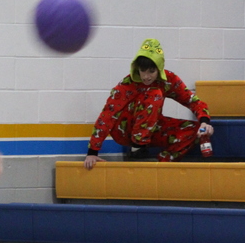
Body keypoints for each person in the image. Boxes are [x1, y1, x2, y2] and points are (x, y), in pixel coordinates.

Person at [83, 38, 213, 169]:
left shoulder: (168, 80)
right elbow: (107, 115)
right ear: (137, 68)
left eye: (151, 71)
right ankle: (137, 147)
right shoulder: (127, 84)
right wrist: (92, 152)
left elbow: (192, 100)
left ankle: (162, 163)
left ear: (159, 69)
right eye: (143, 70)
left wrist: (204, 122)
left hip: (152, 128)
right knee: (154, 94)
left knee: (195, 130)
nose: (146, 76)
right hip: (125, 130)